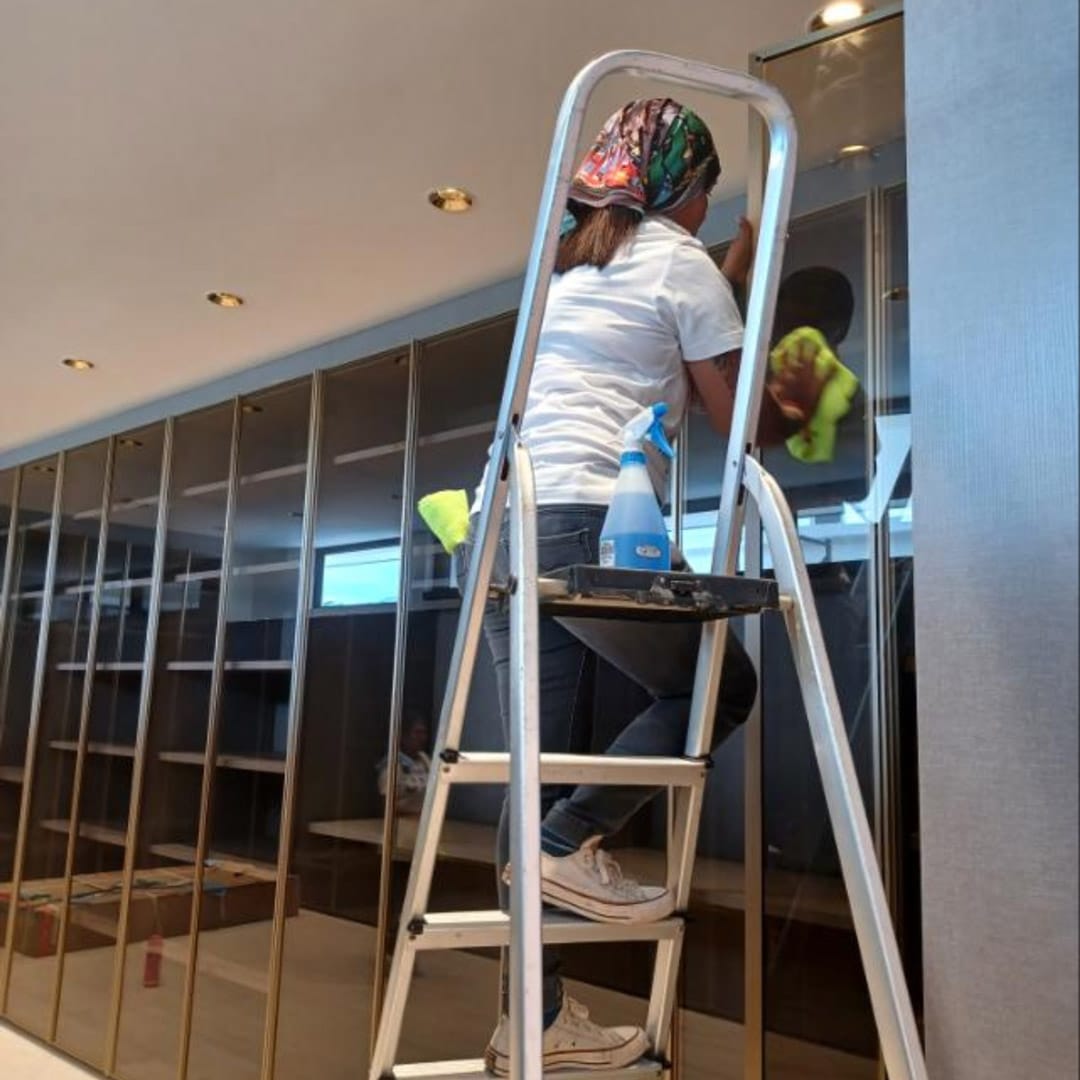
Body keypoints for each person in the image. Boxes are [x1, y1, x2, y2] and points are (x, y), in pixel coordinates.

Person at [458, 98, 813, 1074]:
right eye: (704, 197)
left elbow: (651, 339)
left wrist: (732, 269)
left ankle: (528, 1022)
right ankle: (569, 844)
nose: (703, 216)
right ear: (683, 191)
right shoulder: (679, 262)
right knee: (718, 687)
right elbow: (742, 424)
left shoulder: (575, 266)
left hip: (507, 526)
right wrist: (804, 387)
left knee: (535, 775)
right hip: (588, 517)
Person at [376, 713, 431, 816]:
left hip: (427, 819)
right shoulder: (392, 764)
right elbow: (387, 805)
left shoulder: (426, 760)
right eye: (417, 732)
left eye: (424, 733)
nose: (422, 738)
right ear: (403, 736)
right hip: (403, 821)